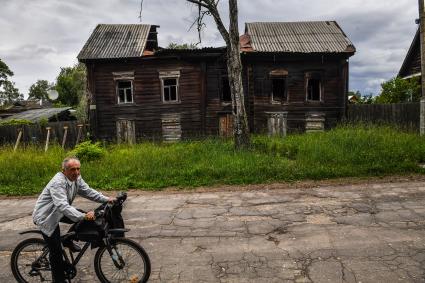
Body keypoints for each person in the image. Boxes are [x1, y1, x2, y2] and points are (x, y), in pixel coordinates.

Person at [33, 156, 115, 283]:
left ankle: (67, 240)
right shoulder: (57, 183)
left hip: (59, 212)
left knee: (84, 219)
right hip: (46, 217)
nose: (76, 172)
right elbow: (63, 206)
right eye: (72, 169)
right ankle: (59, 280)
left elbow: (87, 191)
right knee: (56, 253)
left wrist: (106, 199)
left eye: (78, 169)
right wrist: (83, 216)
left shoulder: (76, 178)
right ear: (64, 170)